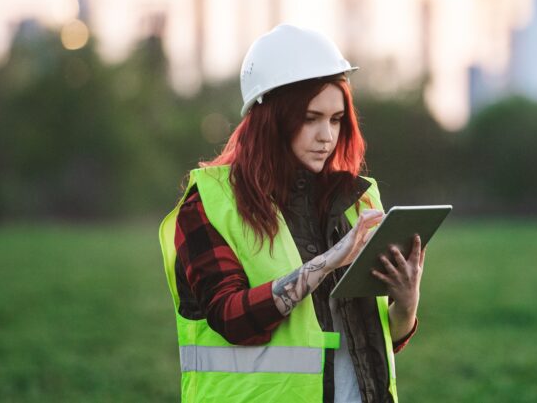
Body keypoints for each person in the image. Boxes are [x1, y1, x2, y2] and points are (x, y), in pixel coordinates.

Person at [158, 24, 426, 403]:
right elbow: (231, 318)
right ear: (272, 119)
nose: (326, 136)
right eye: (310, 118)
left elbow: (377, 343)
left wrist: (407, 302)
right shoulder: (210, 204)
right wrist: (328, 262)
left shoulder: (357, 202)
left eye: (335, 120)